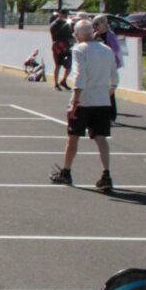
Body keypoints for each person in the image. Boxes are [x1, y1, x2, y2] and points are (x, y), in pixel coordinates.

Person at [50, 19, 119, 191]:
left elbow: (79, 76)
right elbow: (114, 79)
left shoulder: (79, 50)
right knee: (101, 138)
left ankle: (66, 172)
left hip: (84, 101)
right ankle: (106, 174)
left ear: (78, 35)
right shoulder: (107, 50)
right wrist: (106, 93)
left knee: (73, 138)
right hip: (102, 101)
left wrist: (74, 102)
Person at [49, 8, 75, 90]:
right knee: (58, 65)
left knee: (69, 65)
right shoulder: (55, 24)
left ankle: (63, 80)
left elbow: (71, 36)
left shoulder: (67, 24)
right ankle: (56, 84)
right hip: (58, 47)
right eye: (65, 14)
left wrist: (72, 40)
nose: (66, 16)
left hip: (67, 47)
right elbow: (55, 37)